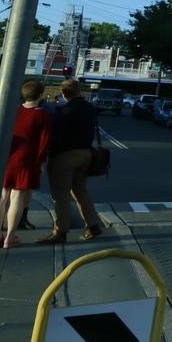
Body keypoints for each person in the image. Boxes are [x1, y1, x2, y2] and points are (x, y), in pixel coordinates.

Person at [37, 80, 106, 244]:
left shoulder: (63, 111)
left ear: (63, 93)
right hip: (86, 154)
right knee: (81, 191)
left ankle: (60, 231)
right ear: (79, 92)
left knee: (61, 195)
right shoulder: (90, 108)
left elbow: (56, 136)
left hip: (65, 156)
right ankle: (93, 225)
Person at [0, 80, 51, 249]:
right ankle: (10, 237)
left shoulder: (11, 110)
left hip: (6, 157)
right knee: (17, 197)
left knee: (2, 197)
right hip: (27, 159)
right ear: (40, 95)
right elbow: (44, 143)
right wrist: (40, 163)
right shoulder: (42, 115)